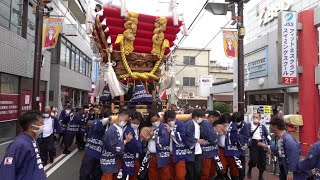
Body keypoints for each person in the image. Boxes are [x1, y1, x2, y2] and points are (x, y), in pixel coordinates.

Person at [0, 111, 46, 180]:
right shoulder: (18, 144)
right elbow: (7, 171)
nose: (43, 125)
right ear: (32, 127)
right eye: (41, 123)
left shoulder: (32, 139)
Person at [101, 110, 132, 180]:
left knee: (115, 176)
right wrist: (125, 141)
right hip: (108, 159)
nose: (125, 122)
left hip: (115, 160)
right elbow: (112, 146)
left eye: (127, 121)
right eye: (125, 120)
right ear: (120, 117)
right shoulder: (112, 130)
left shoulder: (120, 128)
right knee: (107, 177)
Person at [80, 113, 109, 180]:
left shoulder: (112, 128)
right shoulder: (96, 123)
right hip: (91, 153)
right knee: (85, 173)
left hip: (101, 157)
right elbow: (96, 126)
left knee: (96, 175)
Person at [118, 111, 143, 180]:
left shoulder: (137, 129)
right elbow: (132, 146)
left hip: (135, 158)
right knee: (127, 176)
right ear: (131, 120)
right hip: (128, 158)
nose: (136, 124)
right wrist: (140, 141)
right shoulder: (128, 130)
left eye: (138, 123)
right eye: (134, 123)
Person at [216, 113, 240, 180]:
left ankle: (234, 177)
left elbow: (235, 138)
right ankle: (223, 175)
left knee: (233, 166)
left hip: (230, 148)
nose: (226, 123)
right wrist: (217, 132)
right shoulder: (218, 125)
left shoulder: (233, 126)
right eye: (225, 121)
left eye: (227, 121)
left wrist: (226, 132)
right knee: (222, 166)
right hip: (221, 148)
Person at [146, 111, 170, 180]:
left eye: (156, 120)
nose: (155, 122)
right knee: (152, 174)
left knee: (164, 174)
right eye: (153, 121)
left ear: (159, 118)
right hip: (151, 155)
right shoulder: (150, 127)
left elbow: (165, 140)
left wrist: (153, 136)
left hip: (161, 154)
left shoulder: (164, 127)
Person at [163, 110, 187, 180]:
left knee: (180, 175)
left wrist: (171, 131)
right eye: (168, 120)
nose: (170, 121)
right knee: (170, 176)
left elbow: (181, 137)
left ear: (175, 117)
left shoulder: (181, 124)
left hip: (179, 154)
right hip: (168, 154)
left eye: (171, 119)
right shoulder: (164, 125)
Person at [247, 113, 270, 180]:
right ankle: (250, 168)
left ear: (260, 118)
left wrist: (269, 144)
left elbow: (267, 135)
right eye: (254, 117)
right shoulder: (248, 125)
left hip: (262, 142)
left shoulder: (262, 126)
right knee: (253, 160)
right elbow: (245, 134)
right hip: (253, 143)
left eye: (257, 117)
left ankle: (260, 176)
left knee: (262, 160)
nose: (255, 118)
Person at [184, 109, 205, 180]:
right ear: (196, 116)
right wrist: (197, 140)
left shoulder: (196, 124)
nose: (202, 119)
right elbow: (186, 136)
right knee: (191, 172)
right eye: (201, 117)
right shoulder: (190, 124)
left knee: (197, 171)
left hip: (197, 150)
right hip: (191, 151)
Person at [198, 110, 219, 180]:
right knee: (206, 171)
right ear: (212, 117)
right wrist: (217, 134)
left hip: (207, 150)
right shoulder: (207, 124)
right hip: (208, 151)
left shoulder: (204, 123)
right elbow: (213, 138)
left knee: (207, 170)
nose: (214, 122)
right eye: (215, 120)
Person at [234, 112, 250, 180]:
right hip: (232, 148)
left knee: (241, 164)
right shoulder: (231, 124)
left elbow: (246, 136)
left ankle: (241, 177)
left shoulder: (244, 125)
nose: (237, 122)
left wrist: (239, 135)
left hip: (241, 148)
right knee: (233, 165)